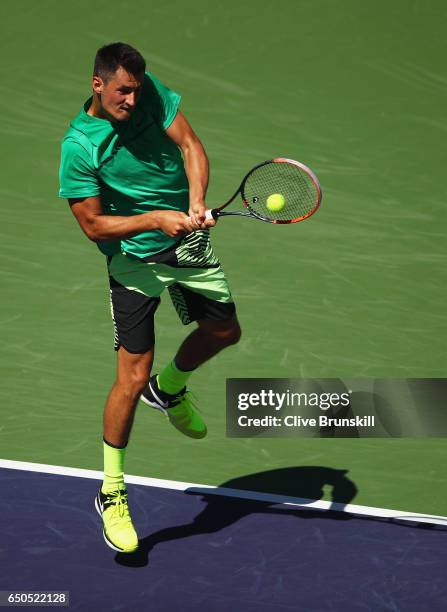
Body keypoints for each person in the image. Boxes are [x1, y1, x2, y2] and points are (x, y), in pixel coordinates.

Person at [59, 42, 241, 554]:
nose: (133, 101)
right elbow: (94, 225)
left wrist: (196, 202)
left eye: (138, 90)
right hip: (134, 261)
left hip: (187, 242)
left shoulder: (151, 94)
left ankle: (171, 388)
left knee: (225, 331)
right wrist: (155, 219)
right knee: (130, 375)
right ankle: (112, 491)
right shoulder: (79, 146)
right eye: (123, 91)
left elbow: (191, 147)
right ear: (98, 84)